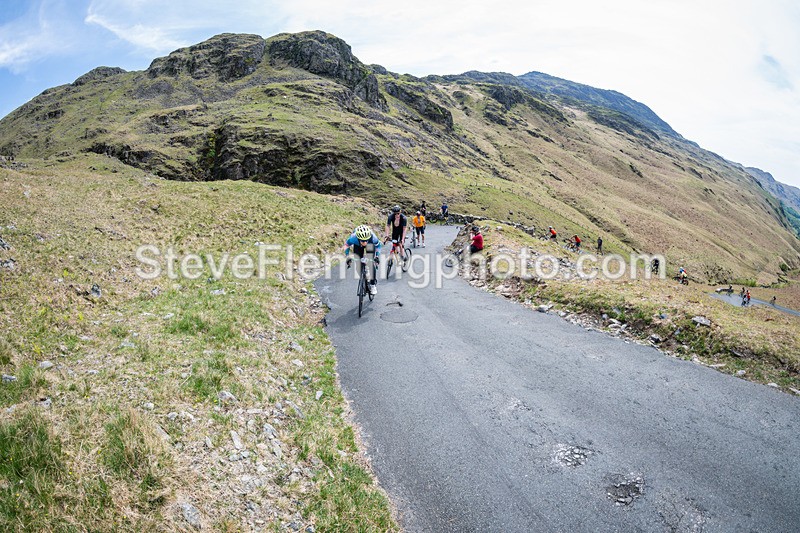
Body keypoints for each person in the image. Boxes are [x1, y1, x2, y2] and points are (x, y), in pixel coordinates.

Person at [343, 224, 381, 295]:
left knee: (371, 264)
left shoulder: (373, 238)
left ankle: (373, 285)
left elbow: (378, 246)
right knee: (358, 264)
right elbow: (346, 245)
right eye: (363, 241)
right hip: (358, 245)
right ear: (358, 238)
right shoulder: (353, 238)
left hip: (370, 245)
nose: (364, 243)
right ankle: (363, 278)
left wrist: (377, 257)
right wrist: (347, 256)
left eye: (366, 241)